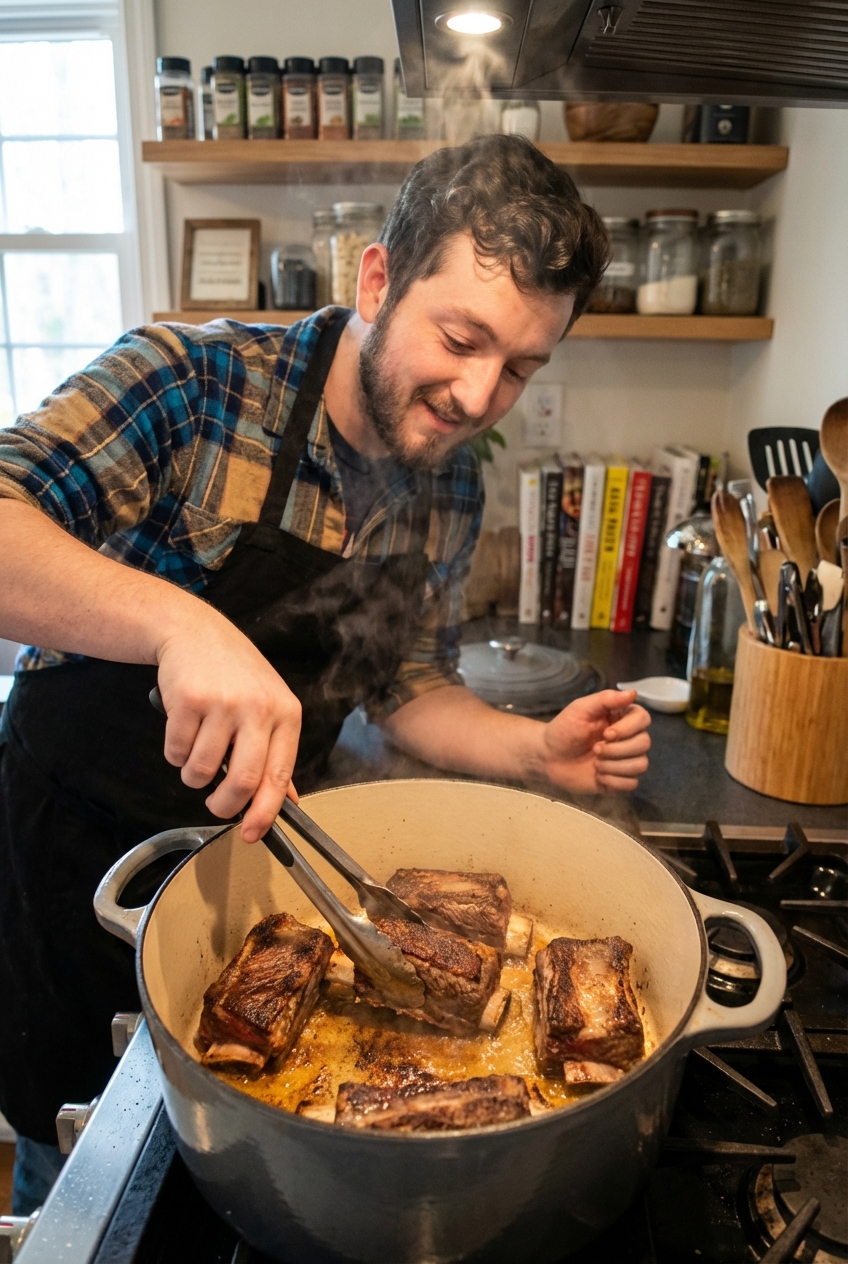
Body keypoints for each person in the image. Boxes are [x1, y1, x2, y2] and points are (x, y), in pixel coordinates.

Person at [0, 134, 650, 1211]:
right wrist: (178, 625)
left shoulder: (442, 487)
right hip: (79, 871)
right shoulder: (194, 385)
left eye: (522, 366)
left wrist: (531, 748)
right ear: (377, 279)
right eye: (460, 337)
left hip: (276, 880)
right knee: (86, 1171)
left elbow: (407, 684)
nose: (480, 393)